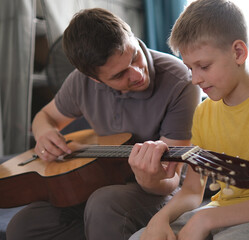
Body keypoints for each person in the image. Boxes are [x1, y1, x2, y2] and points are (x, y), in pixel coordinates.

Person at [129, 0, 249, 239]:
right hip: (225, 211)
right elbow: (192, 190)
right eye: (190, 68)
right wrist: (161, 218)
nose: (194, 79)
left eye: (204, 66)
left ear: (238, 52)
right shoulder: (203, 113)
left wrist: (205, 219)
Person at [6, 8, 200, 240]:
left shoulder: (180, 82)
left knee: (103, 205)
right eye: (119, 75)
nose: (138, 74)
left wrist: (149, 178)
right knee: (23, 226)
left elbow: (171, 180)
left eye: (135, 57)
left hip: (157, 189)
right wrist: (44, 133)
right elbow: (44, 117)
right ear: (94, 79)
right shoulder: (79, 83)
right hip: (100, 181)